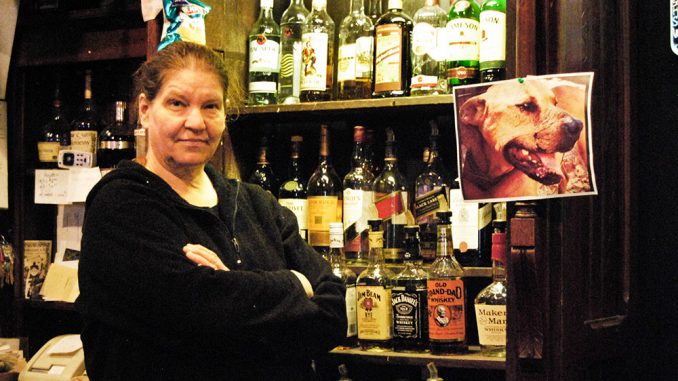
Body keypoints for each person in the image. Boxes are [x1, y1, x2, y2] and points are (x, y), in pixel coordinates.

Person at [76, 41, 347, 380]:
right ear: (145, 109)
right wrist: (295, 283)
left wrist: (232, 294)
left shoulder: (257, 204)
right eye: (177, 103)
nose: (196, 121)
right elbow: (197, 315)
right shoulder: (120, 206)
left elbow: (335, 313)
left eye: (210, 106)